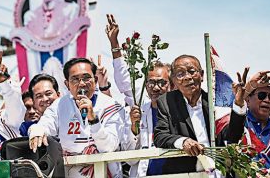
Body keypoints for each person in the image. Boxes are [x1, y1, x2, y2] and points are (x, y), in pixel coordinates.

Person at [28, 58, 125, 177]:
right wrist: (38, 131)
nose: (82, 83)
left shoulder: (112, 106)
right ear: (67, 84)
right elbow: (45, 124)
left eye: (86, 78)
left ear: (95, 80)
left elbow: (109, 146)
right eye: (75, 79)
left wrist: (93, 120)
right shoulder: (59, 105)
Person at [152, 55, 247, 175]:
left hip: (218, 172)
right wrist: (183, 142)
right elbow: (160, 136)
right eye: (180, 74)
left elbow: (233, 135)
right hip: (186, 174)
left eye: (192, 71)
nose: (187, 77)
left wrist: (238, 103)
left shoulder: (214, 102)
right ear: (174, 80)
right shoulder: (167, 101)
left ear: (201, 75)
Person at [105, 14, 172, 176]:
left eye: (162, 83)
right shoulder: (140, 107)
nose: (156, 88)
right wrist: (134, 127)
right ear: (146, 84)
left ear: (171, 84)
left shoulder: (180, 110)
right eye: (151, 82)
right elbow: (131, 161)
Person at [235, 71, 270, 176]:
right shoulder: (237, 123)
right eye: (262, 95)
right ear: (248, 99)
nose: (267, 100)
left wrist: (267, 174)